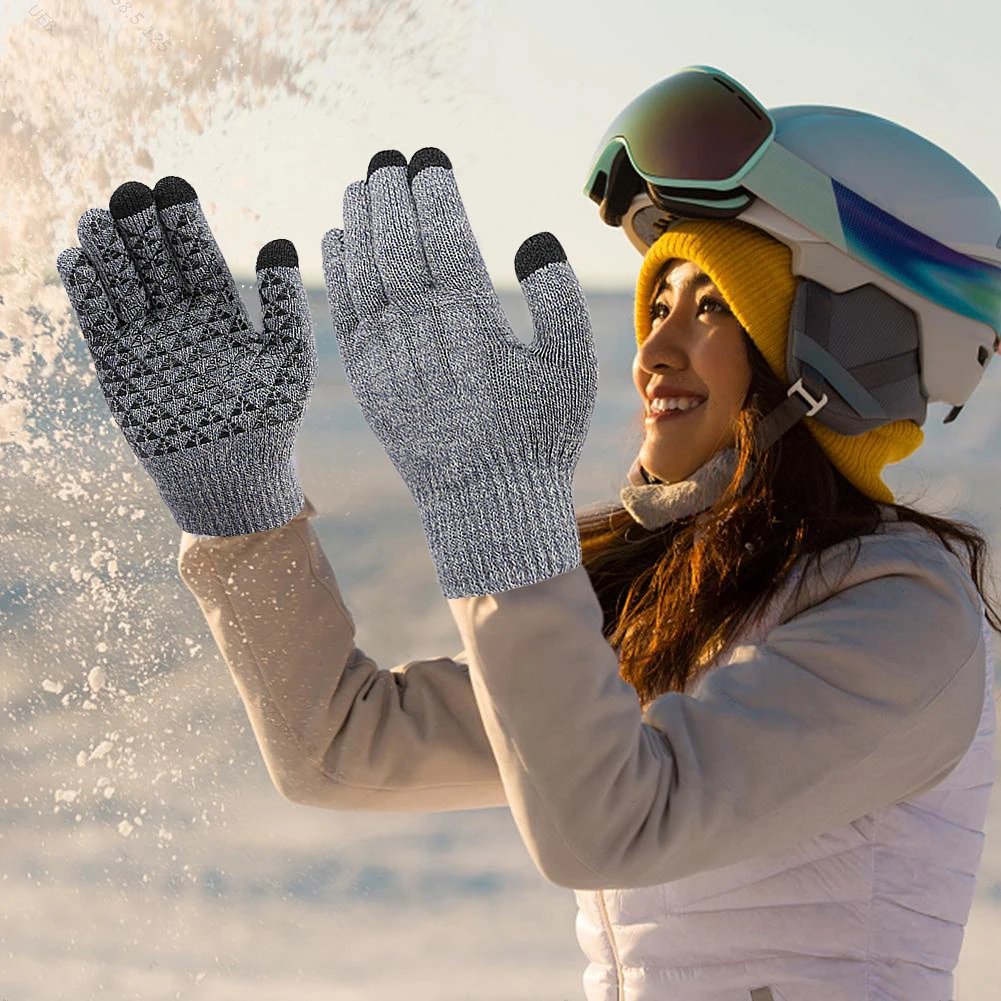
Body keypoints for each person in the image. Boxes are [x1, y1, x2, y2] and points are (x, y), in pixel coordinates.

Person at [57, 66, 1001, 1001]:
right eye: (657, 303)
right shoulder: (685, 602)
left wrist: (494, 510)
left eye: (712, 304)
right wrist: (241, 504)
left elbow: (616, 823)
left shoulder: (906, 618)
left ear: (839, 349)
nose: (652, 350)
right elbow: (339, 746)